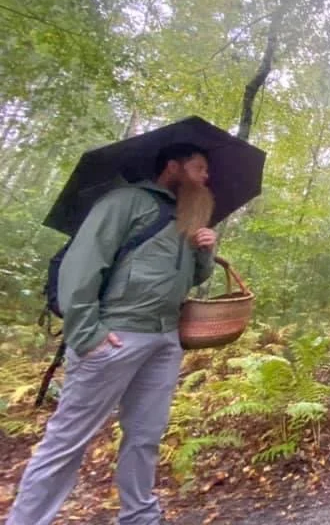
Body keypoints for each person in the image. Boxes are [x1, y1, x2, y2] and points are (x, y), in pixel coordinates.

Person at [6, 143, 218, 525]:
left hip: (165, 340)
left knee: (145, 436)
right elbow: (82, 266)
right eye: (199, 167)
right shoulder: (126, 202)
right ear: (173, 167)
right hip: (115, 336)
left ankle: (139, 517)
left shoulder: (186, 217)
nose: (206, 176)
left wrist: (204, 251)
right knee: (66, 443)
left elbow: (194, 279)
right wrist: (88, 334)